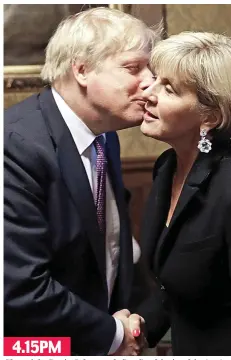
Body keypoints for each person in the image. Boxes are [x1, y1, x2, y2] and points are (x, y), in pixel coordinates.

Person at [4, 7, 159, 355]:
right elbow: (18, 288)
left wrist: (124, 324)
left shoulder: (104, 136)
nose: (150, 81)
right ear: (82, 69)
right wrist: (112, 335)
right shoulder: (15, 146)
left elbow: (107, 248)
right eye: (134, 68)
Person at [134, 31, 231, 355]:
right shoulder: (166, 167)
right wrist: (140, 328)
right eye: (155, 79)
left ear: (209, 116)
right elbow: (176, 286)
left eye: (168, 88)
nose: (148, 93)